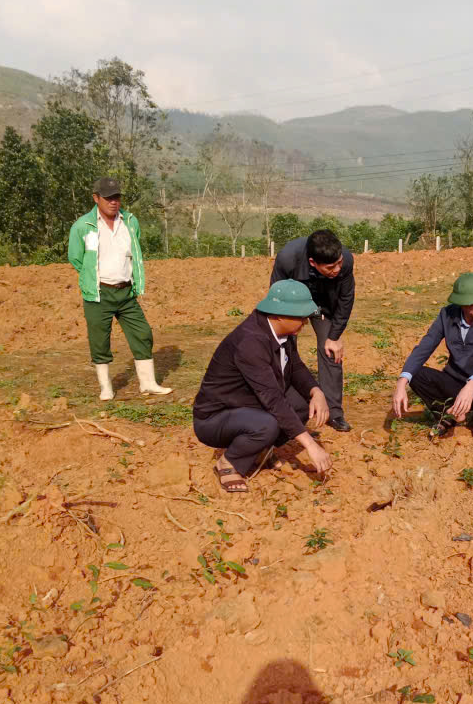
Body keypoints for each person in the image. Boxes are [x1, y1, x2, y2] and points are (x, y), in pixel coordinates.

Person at [193, 280, 331, 492]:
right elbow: (273, 399)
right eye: (300, 316)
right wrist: (310, 445)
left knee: (303, 403)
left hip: (247, 406)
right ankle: (228, 463)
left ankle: (259, 450)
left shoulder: (284, 332)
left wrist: (316, 391)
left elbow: (295, 367)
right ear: (278, 314)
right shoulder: (251, 342)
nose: (305, 322)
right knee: (267, 424)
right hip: (216, 417)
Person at [68, 177, 172, 401]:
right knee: (100, 340)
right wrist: (92, 277)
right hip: (99, 293)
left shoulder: (130, 222)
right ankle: (106, 387)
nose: (113, 202)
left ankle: (148, 383)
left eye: (116, 197)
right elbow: (76, 258)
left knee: (142, 333)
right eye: (108, 198)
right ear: (96, 198)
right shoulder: (82, 226)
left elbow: (134, 252)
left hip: (126, 292)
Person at [391, 272, 473, 436]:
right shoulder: (447, 315)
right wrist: (401, 383)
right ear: (463, 303)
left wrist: (471, 385)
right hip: (455, 383)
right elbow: (425, 346)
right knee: (415, 373)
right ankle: (450, 414)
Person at [271, 228, 355, 431]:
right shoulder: (287, 259)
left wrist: (334, 336)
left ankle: (333, 412)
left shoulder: (345, 260)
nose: (337, 269)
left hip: (324, 306)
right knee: (285, 352)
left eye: (338, 264)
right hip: (292, 305)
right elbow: (277, 296)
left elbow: (346, 299)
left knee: (330, 349)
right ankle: (286, 406)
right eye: (330, 267)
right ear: (312, 263)